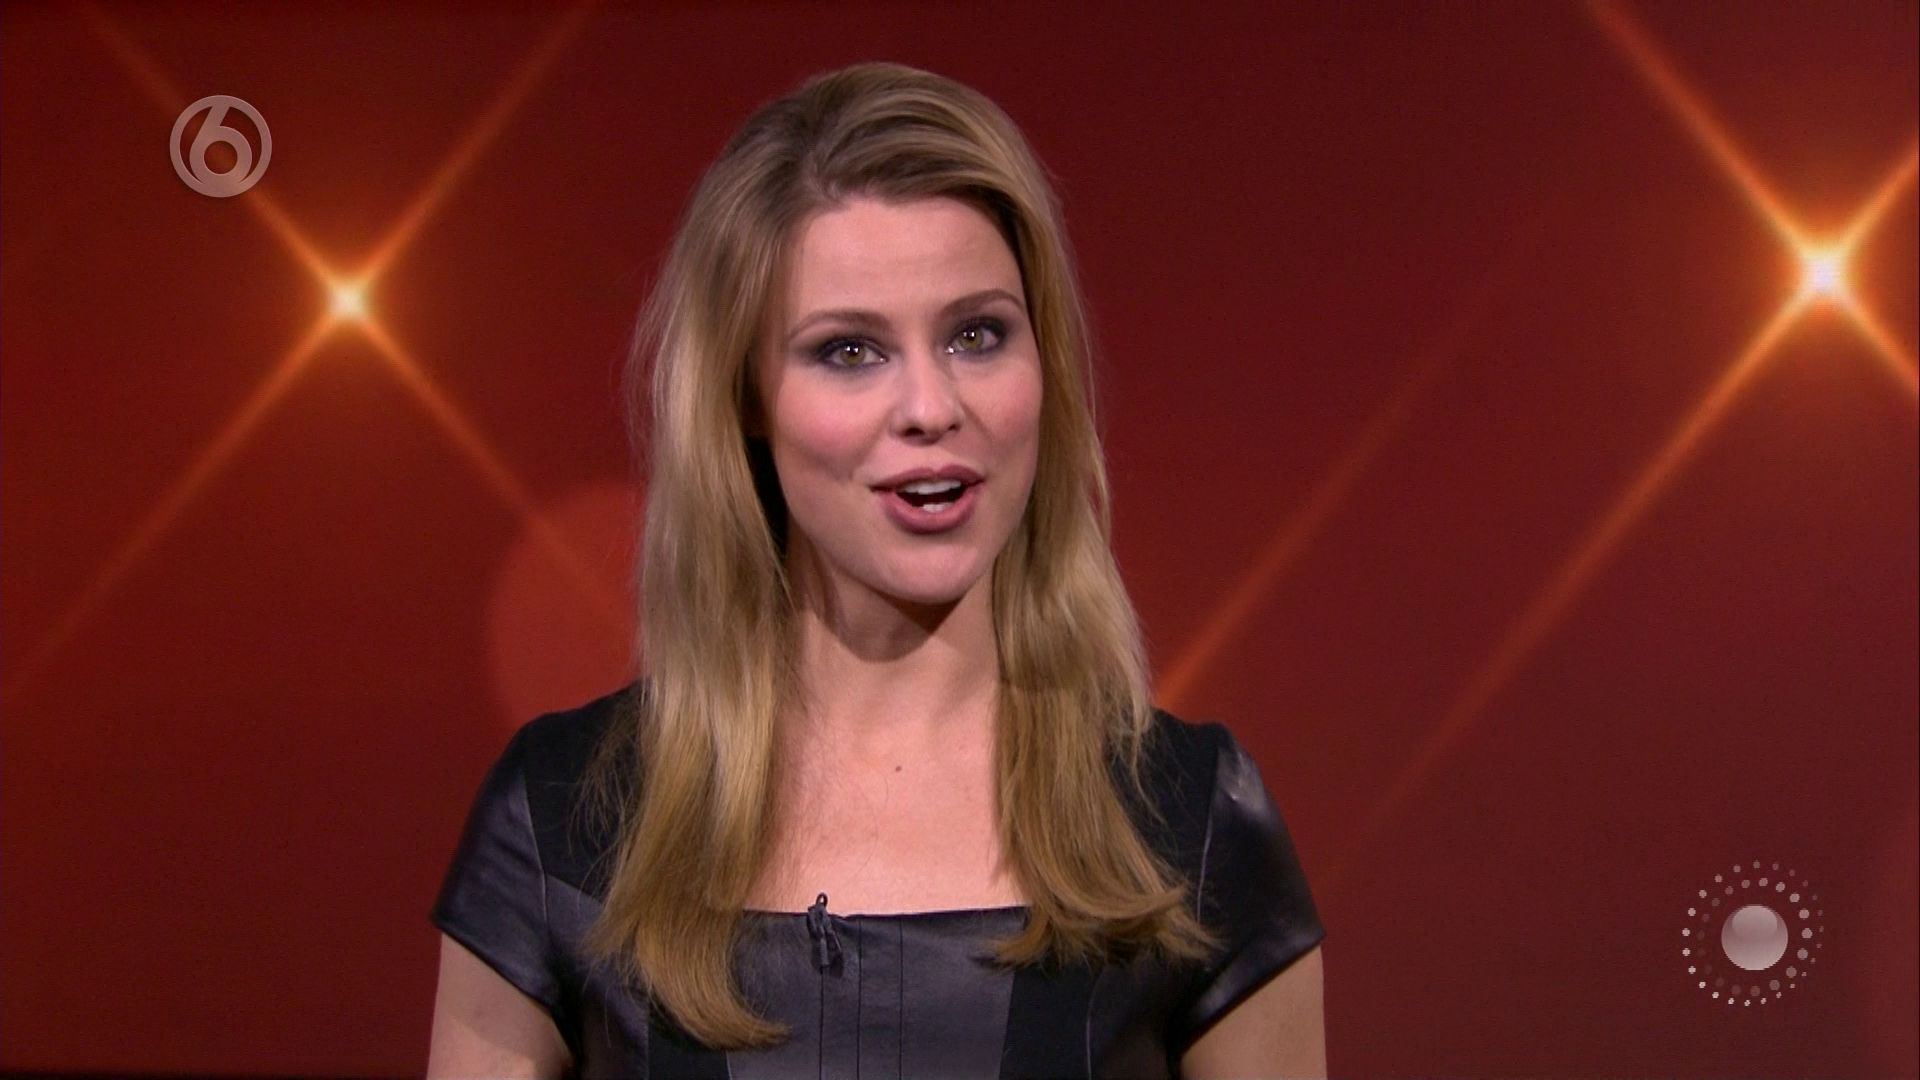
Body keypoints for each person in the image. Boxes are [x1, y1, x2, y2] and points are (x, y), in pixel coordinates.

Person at [425, 60, 1326, 1078]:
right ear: (745, 397)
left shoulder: (1191, 824)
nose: (932, 408)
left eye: (977, 335)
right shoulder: (560, 819)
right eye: (850, 351)